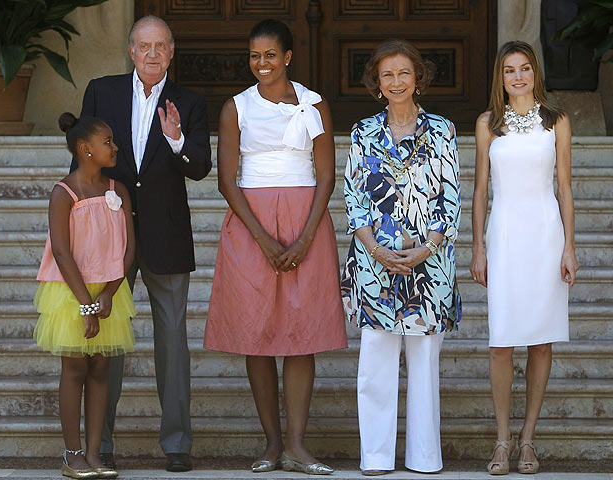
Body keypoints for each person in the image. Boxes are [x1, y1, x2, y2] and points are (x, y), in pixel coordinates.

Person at [204, 19, 347, 475]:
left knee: (302, 334)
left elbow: (326, 174)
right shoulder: (236, 108)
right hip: (252, 225)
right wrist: (264, 239)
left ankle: (297, 446)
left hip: (307, 219)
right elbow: (227, 180)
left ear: (287, 56)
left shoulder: (314, 104)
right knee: (258, 333)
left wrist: (305, 237)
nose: (261, 63)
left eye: (270, 55)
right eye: (254, 56)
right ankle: (271, 444)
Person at [70, 15, 212, 472]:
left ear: (171, 53)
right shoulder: (102, 91)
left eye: (161, 46)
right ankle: (101, 444)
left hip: (166, 235)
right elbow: (81, 161)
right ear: (131, 50)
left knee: (172, 342)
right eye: (144, 46)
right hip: (110, 236)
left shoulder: (189, 102)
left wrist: (176, 140)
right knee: (106, 341)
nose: (153, 54)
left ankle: (177, 444)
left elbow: (200, 167)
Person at [340, 39, 462, 475]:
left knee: (425, 363)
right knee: (376, 360)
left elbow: (450, 198)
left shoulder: (442, 130)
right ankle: (375, 457)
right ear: (376, 82)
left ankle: (425, 459)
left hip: (430, 264)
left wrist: (426, 248)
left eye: (404, 73)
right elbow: (354, 199)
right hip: (375, 264)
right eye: (387, 74)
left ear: (418, 78)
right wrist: (375, 249)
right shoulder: (362, 133)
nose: (396, 82)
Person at [470, 40, 578, 475]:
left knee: (540, 340)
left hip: (545, 235)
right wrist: (478, 246)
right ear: (500, 77)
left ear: (536, 73)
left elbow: (565, 187)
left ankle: (528, 439)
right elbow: (480, 191)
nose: (518, 76)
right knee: (500, 342)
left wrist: (569, 246)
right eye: (509, 70)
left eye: (525, 68)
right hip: (504, 236)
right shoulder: (488, 124)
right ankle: (502, 440)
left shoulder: (557, 121)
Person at [34, 112, 135, 479]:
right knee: (75, 368)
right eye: (107, 142)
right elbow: (62, 253)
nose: (115, 147)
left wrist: (109, 293)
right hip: (72, 293)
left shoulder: (118, 190)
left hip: (108, 293)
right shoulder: (64, 193)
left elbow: (128, 249)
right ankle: (72, 453)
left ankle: (94, 453)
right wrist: (86, 305)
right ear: (84, 149)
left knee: (101, 369)